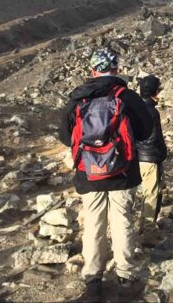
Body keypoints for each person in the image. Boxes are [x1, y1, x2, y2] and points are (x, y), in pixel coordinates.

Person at [59, 48, 154, 301]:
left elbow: (64, 136)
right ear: (115, 69)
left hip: (89, 174)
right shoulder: (127, 97)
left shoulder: (78, 98)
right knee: (122, 220)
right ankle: (125, 276)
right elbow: (146, 132)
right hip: (122, 172)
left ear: (92, 70)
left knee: (93, 223)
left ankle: (93, 280)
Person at [136, 75, 168, 246]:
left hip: (138, 157)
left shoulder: (136, 107)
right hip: (150, 157)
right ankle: (148, 232)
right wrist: (162, 154)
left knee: (146, 193)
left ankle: (143, 225)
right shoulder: (151, 111)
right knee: (152, 194)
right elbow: (156, 138)